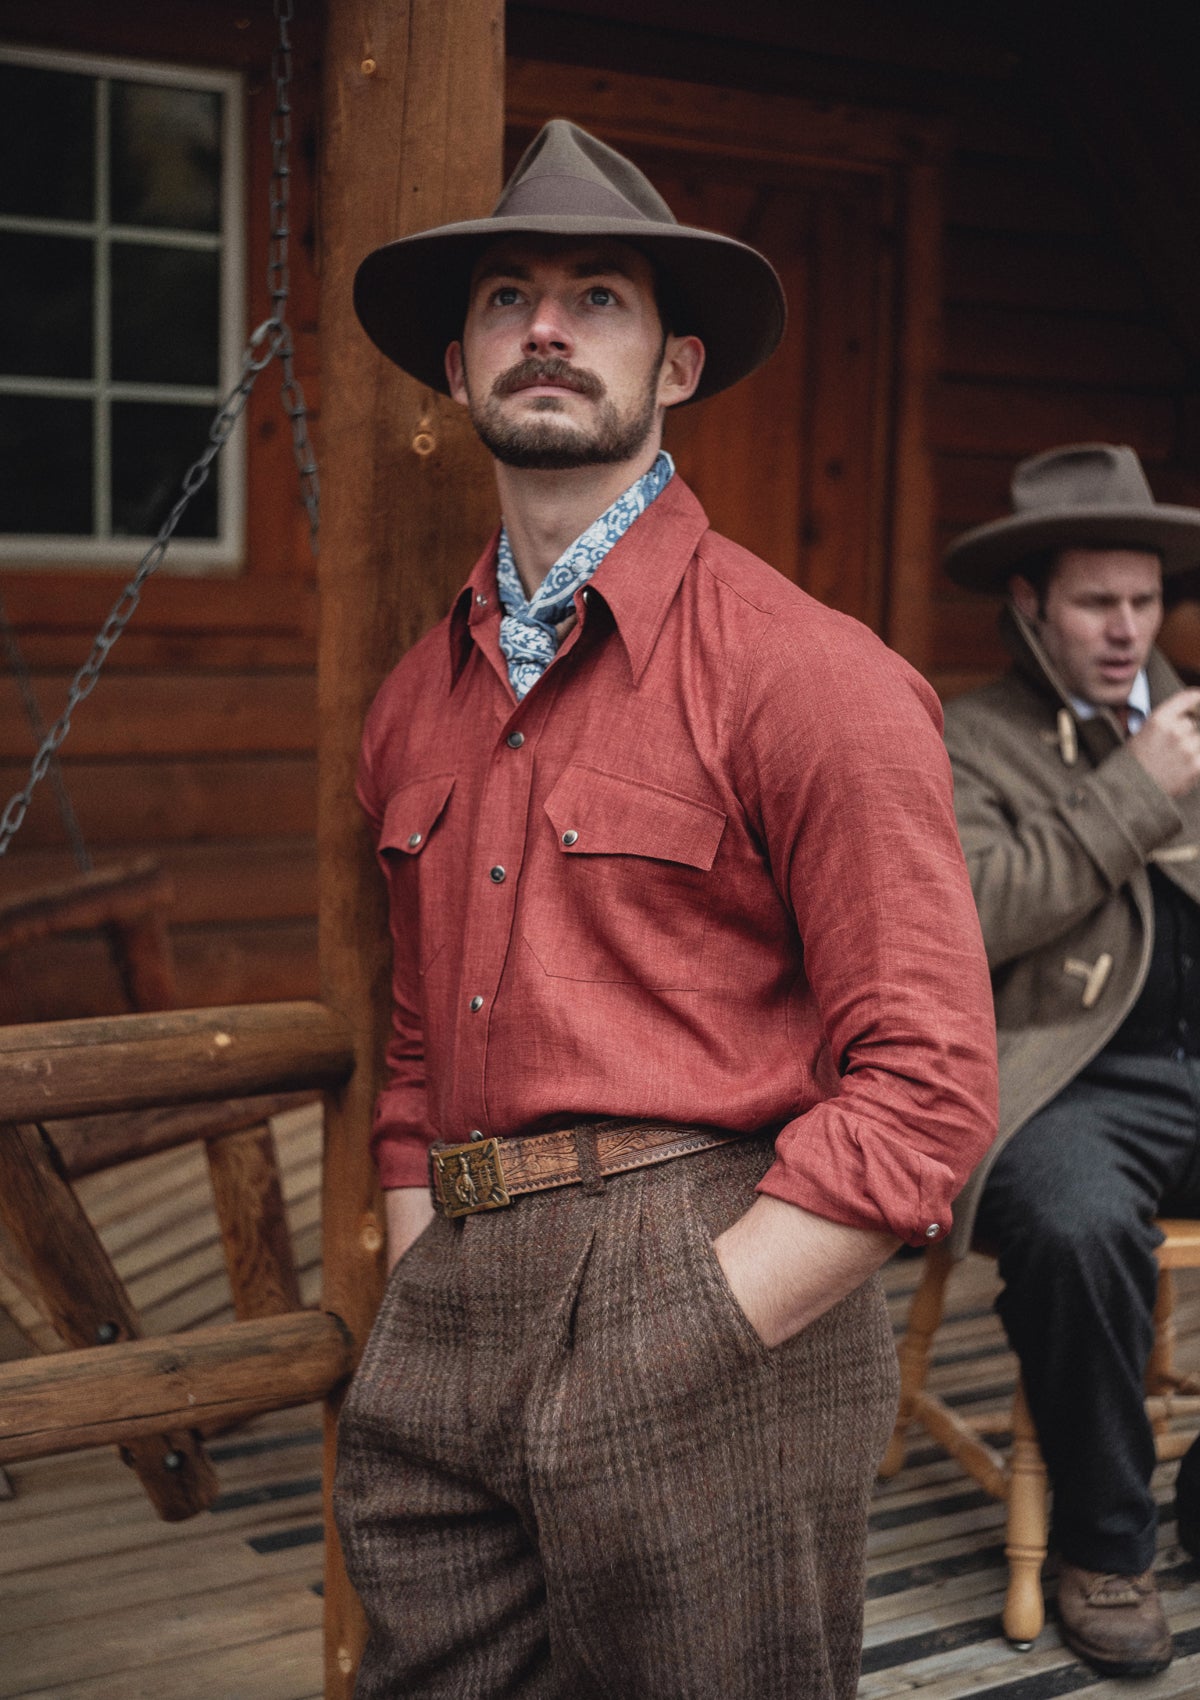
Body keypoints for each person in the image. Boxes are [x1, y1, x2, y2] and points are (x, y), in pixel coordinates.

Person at [334, 119, 997, 1700]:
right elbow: (418, 1046)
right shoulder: (414, 704)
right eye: (507, 295)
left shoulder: (806, 674)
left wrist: (694, 1324)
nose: (546, 326)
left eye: (598, 298)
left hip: (695, 1266)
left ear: (679, 367)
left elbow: (929, 1081)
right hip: (456, 1307)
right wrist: (423, 1284)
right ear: (458, 363)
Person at [942, 442, 1200, 1678]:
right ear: (1030, 601)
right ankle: (1106, 1544)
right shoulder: (967, 737)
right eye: (1098, 601)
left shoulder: (1194, 714)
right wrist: (1131, 792)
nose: (1126, 629)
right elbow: (971, 913)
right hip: (1059, 1083)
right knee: (1080, 1224)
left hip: (1195, 1067)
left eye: (1144, 601)